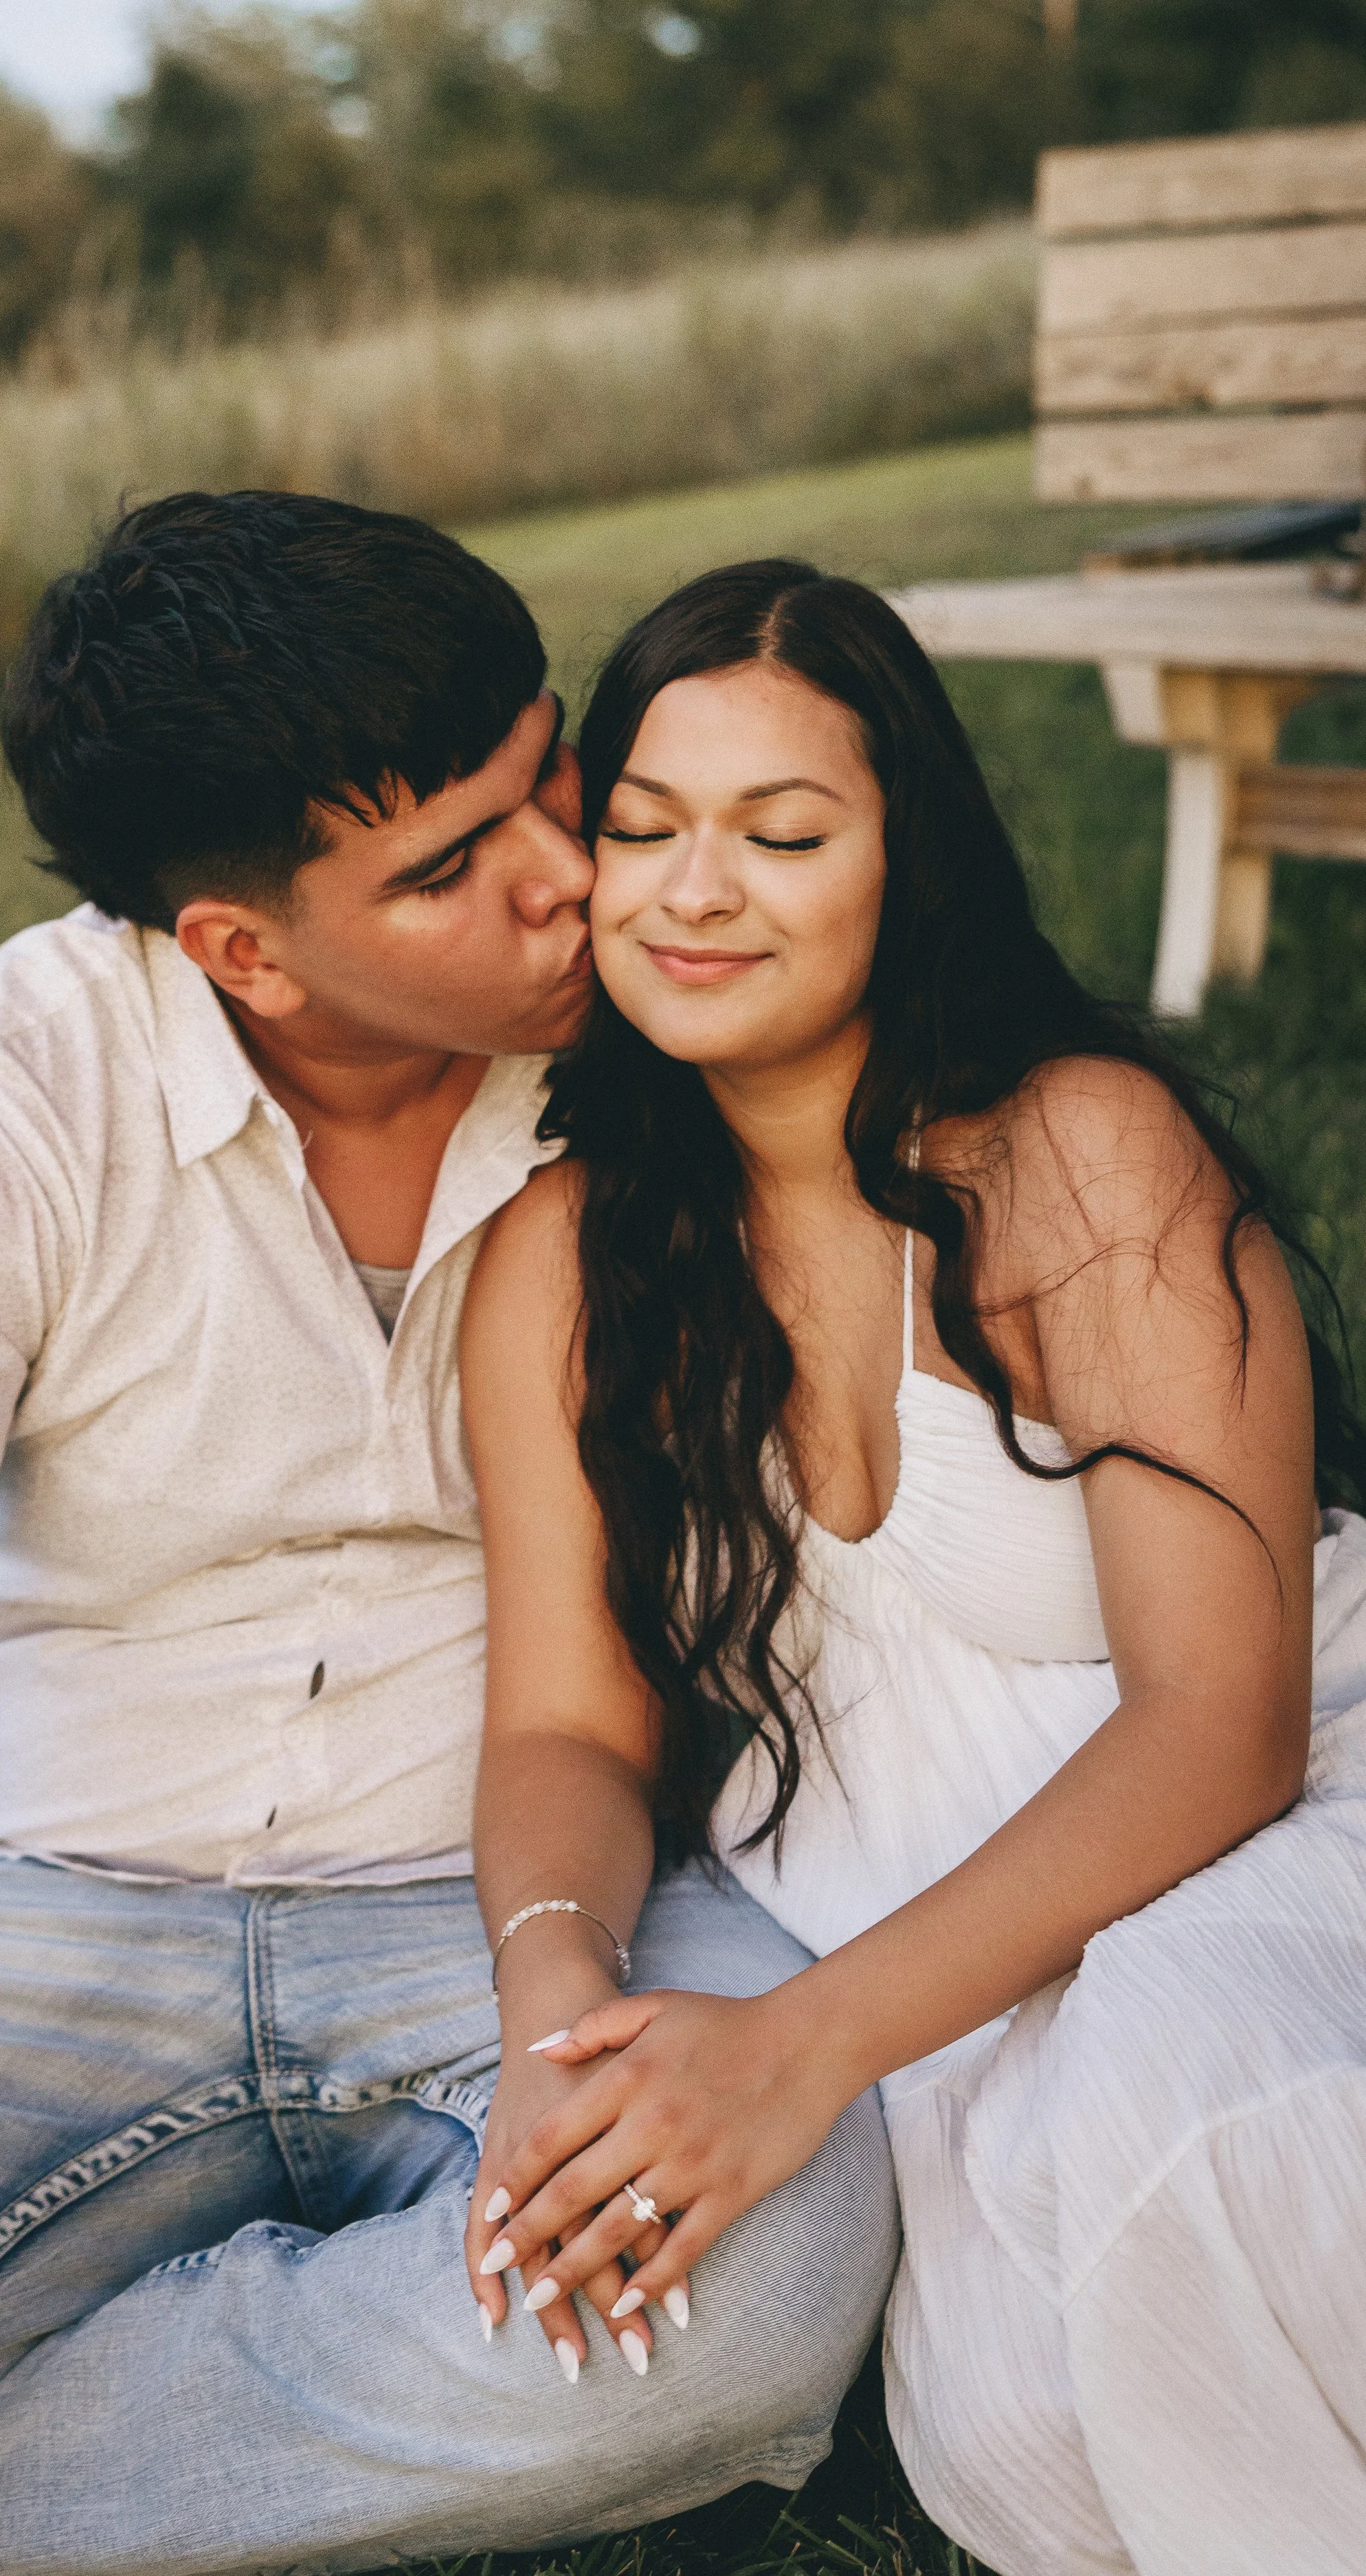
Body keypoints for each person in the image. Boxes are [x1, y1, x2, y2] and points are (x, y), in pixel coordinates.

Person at [0, 498, 897, 2576]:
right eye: (446, 867)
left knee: (757, 2304)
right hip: (52, 1914)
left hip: (521, 1904)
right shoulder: (5, 1103)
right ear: (236, 943)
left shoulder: (667, 1033)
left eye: (546, 781)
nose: (567, 878)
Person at [460, 559, 1366, 2576]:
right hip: (950, 2016)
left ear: (903, 862)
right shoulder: (558, 1270)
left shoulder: (1071, 1149)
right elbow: (556, 1723)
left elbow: (1220, 1732)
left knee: (1189, 2108)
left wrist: (794, 2049)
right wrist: (555, 1993)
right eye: (641, 830)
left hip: (1257, 1863)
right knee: (1014, 2412)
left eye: (781, 833)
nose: (696, 891)